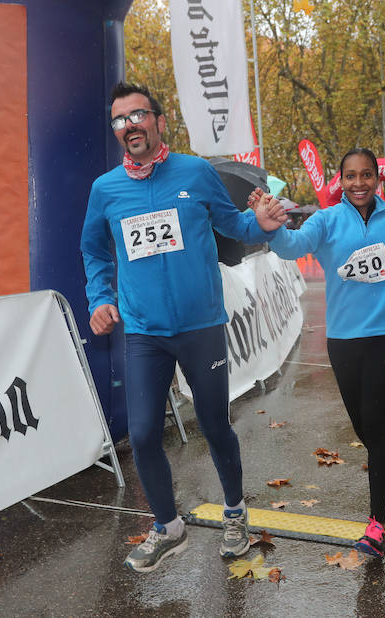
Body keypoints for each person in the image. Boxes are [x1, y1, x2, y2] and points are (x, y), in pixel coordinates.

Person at [80, 82, 288, 573]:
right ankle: (168, 527)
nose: (129, 125)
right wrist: (101, 298)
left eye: (138, 115)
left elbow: (236, 228)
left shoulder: (196, 172)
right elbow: (93, 250)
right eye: (119, 120)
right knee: (146, 432)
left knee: (215, 424)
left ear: (158, 120)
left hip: (201, 328)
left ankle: (235, 514)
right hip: (146, 332)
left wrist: (263, 222)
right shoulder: (105, 190)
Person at [254, 148, 385, 558]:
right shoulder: (328, 220)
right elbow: (293, 246)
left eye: (367, 175)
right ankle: (383, 468)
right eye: (351, 176)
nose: (359, 183)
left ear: (378, 179)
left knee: (376, 423)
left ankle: (376, 524)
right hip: (343, 339)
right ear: (340, 180)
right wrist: (271, 227)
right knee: (362, 427)